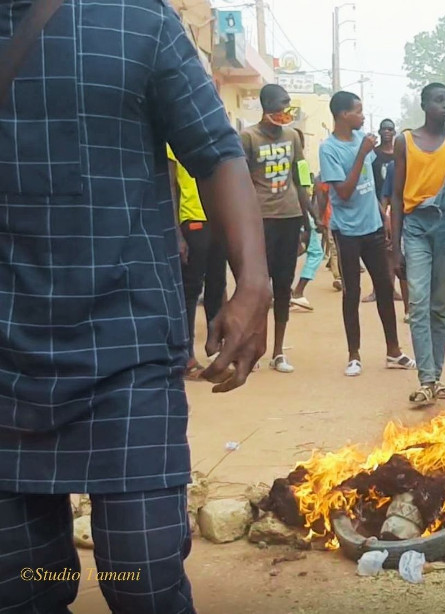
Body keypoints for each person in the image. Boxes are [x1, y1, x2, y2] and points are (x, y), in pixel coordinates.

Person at [0, 3, 271, 613]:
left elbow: (215, 152)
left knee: (142, 578)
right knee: (19, 587)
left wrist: (254, 283)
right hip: (3, 357)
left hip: (124, 345)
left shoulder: (135, 19)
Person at [391, 83, 445, 407]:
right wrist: (395, 246)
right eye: (439, 100)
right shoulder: (406, 142)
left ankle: (435, 377)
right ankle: (426, 377)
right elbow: (398, 198)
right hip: (415, 226)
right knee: (419, 304)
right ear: (424, 104)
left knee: (442, 307)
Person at [320, 91, 415, 376]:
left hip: (372, 227)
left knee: (385, 287)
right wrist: (362, 154)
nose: (363, 116)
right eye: (358, 111)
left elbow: (368, 186)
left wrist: (381, 216)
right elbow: (345, 192)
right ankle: (354, 355)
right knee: (352, 292)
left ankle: (394, 351)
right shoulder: (329, 149)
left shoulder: (364, 142)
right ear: (343, 115)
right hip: (347, 231)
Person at [241, 84, 314, 373]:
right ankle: (253, 348)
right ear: (266, 106)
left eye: (286, 106)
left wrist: (308, 218)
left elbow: (301, 173)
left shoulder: (292, 136)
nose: (283, 112)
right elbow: (241, 180)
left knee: (283, 286)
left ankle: (279, 352)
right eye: (279, 106)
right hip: (261, 219)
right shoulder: (247, 137)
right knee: (259, 287)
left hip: (289, 216)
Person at [168, 146, 228, 378]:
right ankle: (186, 355)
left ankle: (214, 348)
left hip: (217, 218)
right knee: (191, 290)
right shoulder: (173, 147)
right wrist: (177, 234)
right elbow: (171, 188)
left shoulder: (214, 141)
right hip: (193, 221)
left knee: (217, 285)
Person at [364, 118, 402, 304]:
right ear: (379, 132)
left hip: (396, 205)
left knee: (393, 249)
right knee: (378, 250)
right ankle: (376, 290)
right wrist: (380, 208)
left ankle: (391, 289)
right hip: (376, 204)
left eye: (390, 129)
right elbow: (369, 182)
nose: (387, 132)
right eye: (384, 129)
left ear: (394, 132)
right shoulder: (374, 155)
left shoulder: (399, 154)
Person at [290, 135, 326, 312]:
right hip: (299, 213)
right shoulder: (301, 164)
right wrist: (312, 219)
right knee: (316, 252)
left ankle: (284, 290)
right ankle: (298, 292)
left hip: (282, 213)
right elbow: (302, 194)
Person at [381, 158, 411, 321]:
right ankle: (408, 309)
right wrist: (385, 220)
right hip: (400, 219)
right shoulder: (394, 166)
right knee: (402, 264)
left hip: (422, 218)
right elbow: (386, 195)